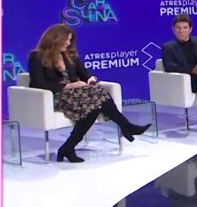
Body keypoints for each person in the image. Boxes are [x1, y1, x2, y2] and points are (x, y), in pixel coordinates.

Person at [28, 24, 150, 163]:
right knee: (96, 99)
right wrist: (69, 86)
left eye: (70, 40)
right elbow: (38, 83)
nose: (68, 43)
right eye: (66, 40)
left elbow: (86, 74)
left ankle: (68, 147)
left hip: (79, 95)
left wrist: (91, 79)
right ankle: (125, 126)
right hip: (55, 96)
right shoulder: (37, 56)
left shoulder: (70, 56)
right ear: (56, 39)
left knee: (94, 101)